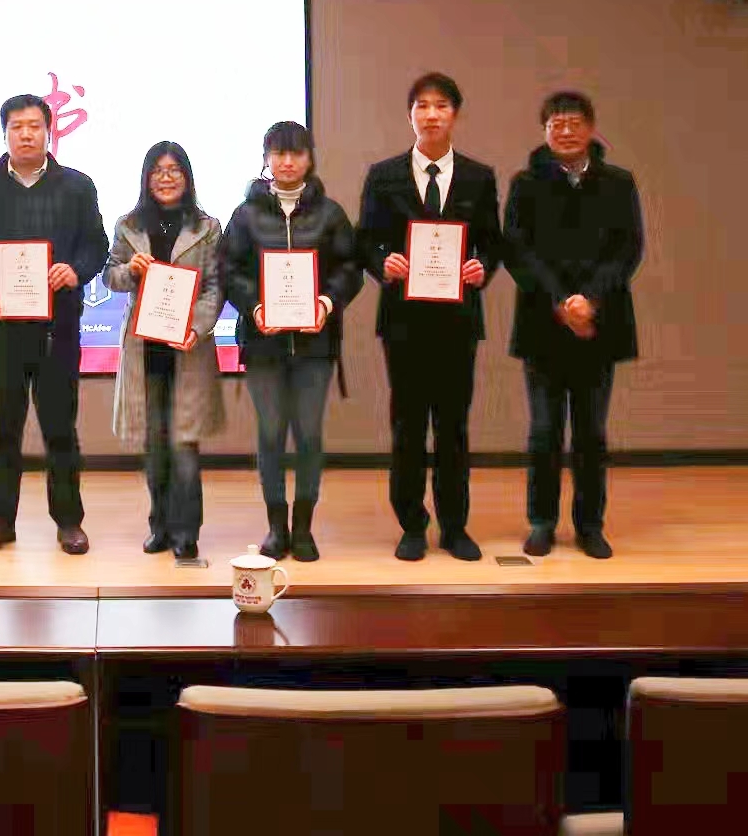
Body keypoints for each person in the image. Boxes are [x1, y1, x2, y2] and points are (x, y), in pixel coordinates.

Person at [357, 73, 504, 562]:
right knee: (407, 426)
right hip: (404, 321)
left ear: (455, 114)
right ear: (410, 115)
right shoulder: (384, 175)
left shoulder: (479, 177)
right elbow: (365, 240)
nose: (432, 114)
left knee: (453, 427)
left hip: (458, 320)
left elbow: (492, 241)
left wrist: (483, 266)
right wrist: (383, 263)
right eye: (422, 105)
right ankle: (412, 525)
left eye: (441, 105)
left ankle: (455, 526)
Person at [0, 93, 108, 555]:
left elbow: (96, 245)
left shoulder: (77, 187)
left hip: (57, 328)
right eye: (16, 126)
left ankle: (69, 522)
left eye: (34, 126)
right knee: (3, 429)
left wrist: (76, 271)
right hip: (1, 329)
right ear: (4, 134)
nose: (25, 134)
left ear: (48, 131)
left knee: (61, 429)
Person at [504, 91, 644, 560]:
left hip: (598, 325)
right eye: (556, 124)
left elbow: (628, 249)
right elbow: (518, 250)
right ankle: (542, 522)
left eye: (574, 122)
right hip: (543, 324)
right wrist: (560, 301)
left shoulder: (618, 182)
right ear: (545, 131)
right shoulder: (526, 184)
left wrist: (591, 300)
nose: (565, 131)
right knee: (544, 431)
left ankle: (589, 525)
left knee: (591, 433)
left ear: (591, 127)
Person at [219, 122, 362, 561]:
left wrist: (325, 302)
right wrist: (254, 307)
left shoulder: (330, 214)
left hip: (315, 346)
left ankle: (304, 527)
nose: (286, 162)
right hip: (263, 345)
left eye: (295, 153)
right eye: (278, 153)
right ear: (266, 158)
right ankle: (276, 527)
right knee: (270, 434)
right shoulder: (245, 215)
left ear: (309, 158)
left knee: (309, 434)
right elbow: (229, 271)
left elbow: (350, 268)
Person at [103, 142, 225, 561]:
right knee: (154, 448)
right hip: (145, 351)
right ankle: (160, 525)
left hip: (188, 350)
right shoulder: (128, 225)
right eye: (158, 170)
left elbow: (215, 287)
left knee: (184, 447)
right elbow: (109, 277)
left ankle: (187, 533)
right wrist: (129, 271)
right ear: (146, 178)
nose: (166, 177)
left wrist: (197, 328)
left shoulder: (207, 227)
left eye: (174, 170)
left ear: (187, 177)